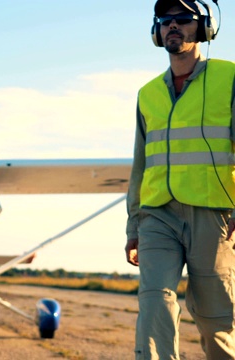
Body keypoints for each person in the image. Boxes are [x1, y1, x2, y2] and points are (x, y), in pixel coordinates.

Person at [125, 0, 235, 358]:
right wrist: (133, 226)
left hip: (213, 213)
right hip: (157, 214)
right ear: (157, 32)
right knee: (154, 301)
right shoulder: (148, 94)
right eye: (165, 20)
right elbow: (140, 166)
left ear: (203, 28)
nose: (173, 26)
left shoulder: (230, 78)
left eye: (184, 19)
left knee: (214, 318)